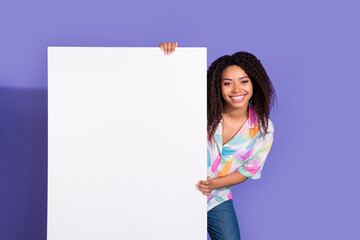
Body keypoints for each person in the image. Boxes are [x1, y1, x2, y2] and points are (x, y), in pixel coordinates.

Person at [159, 42, 276, 240]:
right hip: (173, 190)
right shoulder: (199, 113)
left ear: (254, 83)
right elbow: (167, 97)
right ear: (218, 86)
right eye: (227, 83)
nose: (236, 89)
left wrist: (214, 184)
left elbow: (247, 171)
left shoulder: (264, 130)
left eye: (244, 81)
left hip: (216, 196)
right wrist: (168, 58)